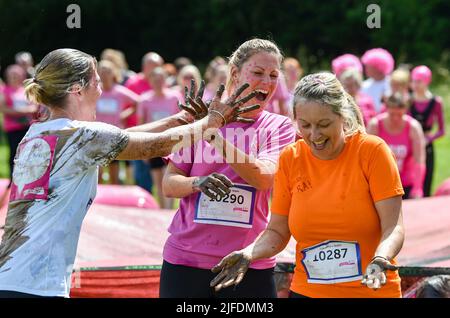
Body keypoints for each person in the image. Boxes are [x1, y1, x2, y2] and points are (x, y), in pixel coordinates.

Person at [0, 48, 259, 298]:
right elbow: (156, 146)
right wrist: (212, 122)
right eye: (97, 82)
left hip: (10, 276)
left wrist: (177, 120)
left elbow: (123, 137)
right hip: (37, 285)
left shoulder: (38, 133)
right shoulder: (82, 135)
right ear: (77, 89)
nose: (101, 89)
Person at [211, 72, 405, 298]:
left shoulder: (372, 151)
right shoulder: (290, 158)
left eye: (324, 124)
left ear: (343, 117)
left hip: (371, 289)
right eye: (305, 125)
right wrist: (248, 253)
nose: (314, 135)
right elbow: (277, 231)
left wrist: (381, 259)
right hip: (307, 291)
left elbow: (394, 228)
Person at [160, 39, 296, 298]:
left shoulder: (278, 126)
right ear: (235, 73)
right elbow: (169, 184)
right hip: (186, 261)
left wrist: (213, 134)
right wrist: (197, 183)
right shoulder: (201, 118)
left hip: (248, 262)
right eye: (257, 73)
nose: (266, 82)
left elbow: (264, 178)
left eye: (273, 75)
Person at [138, 67, 182, 208]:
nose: (158, 82)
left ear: (165, 80)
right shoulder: (145, 99)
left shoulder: (174, 97)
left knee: (168, 176)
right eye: (155, 79)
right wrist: (142, 149)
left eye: (160, 79)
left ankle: (169, 209)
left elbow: (184, 119)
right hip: (153, 143)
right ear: (150, 81)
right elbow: (141, 124)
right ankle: (161, 210)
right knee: (157, 180)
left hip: (171, 143)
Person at [367, 93, 426, 199]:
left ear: (405, 111)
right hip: (381, 183)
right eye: (392, 114)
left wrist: (417, 188)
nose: (395, 118)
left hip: (406, 183)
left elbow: (419, 160)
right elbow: (367, 158)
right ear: (386, 109)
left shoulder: (413, 127)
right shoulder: (375, 125)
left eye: (399, 115)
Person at [125, 51, 164, 193]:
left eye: (158, 66)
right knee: (142, 178)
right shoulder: (133, 83)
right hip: (138, 136)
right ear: (145, 67)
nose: (156, 70)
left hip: (159, 137)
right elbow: (126, 108)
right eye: (153, 66)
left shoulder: (161, 81)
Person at [96, 60, 140, 184]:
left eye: (107, 71)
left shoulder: (119, 91)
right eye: (102, 71)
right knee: (97, 175)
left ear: (113, 74)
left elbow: (138, 102)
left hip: (113, 136)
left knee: (113, 175)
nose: (104, 74)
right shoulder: (95, 91)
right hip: (97, 136)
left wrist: (124, 115)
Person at [409, 65, 445, 197]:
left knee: (426, 181)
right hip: (411, 146)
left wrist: (427, 139)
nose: (416, 85)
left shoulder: (436, 102)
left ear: (427, 81)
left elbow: (442, 131)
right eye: (413, 81)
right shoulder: (409, 101)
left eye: (419, 81)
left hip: (427, 146)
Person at [0, 65, 37, 187]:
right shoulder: (4, 91)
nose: (14, 78)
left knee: (29, 154)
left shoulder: (25, 90)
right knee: (14, 154)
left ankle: (28, 179)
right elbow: (4, 109)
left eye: (17, 75)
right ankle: (13, 180)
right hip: (13, 129)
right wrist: (26, 111)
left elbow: (35, 106)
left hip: (28, 127)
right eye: (12, 75)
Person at [361, 48, 395, 114]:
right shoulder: (364, 85)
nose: (366, 69)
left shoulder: (392, 83)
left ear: (377, 67)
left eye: (369, 66)